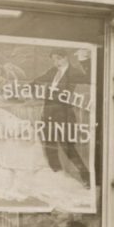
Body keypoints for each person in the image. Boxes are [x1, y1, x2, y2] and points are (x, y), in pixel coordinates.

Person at [34, 49, 91, 186]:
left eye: (58, 59)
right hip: (48, 115)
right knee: (49, 147)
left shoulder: (74, 73)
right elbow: (38, 80)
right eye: (53, 60)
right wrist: (24, 88)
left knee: (68, 148)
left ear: (65, 58)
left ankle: (86, 177)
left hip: (64, 117)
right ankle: (57, 177)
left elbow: (90, 79)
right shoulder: (53, 71)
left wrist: (85, 61)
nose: (56, 62)